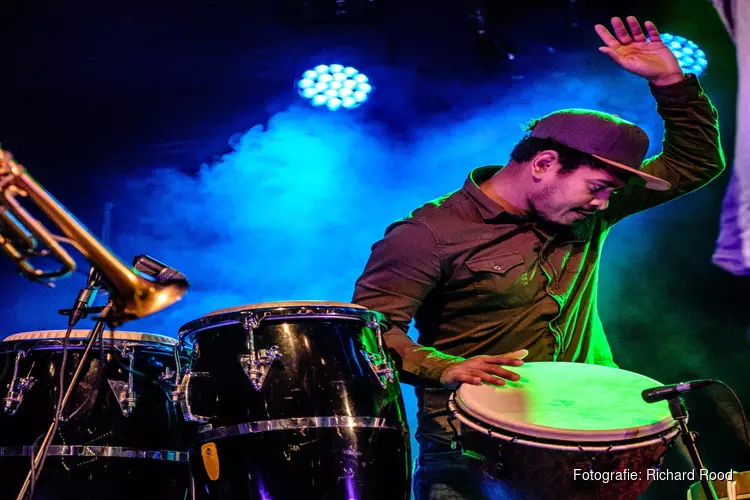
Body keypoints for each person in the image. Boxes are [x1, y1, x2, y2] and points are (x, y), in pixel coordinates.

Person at [351, 15, 725, 500]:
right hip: (472, 445)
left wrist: (671, 84)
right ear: (544, 164)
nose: (604, 204)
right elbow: (366, 333)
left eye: (612, 193)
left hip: (588, 431)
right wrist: (440, 365)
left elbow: (696, 162)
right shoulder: (426, 234)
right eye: (598, 188)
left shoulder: (586, 209)